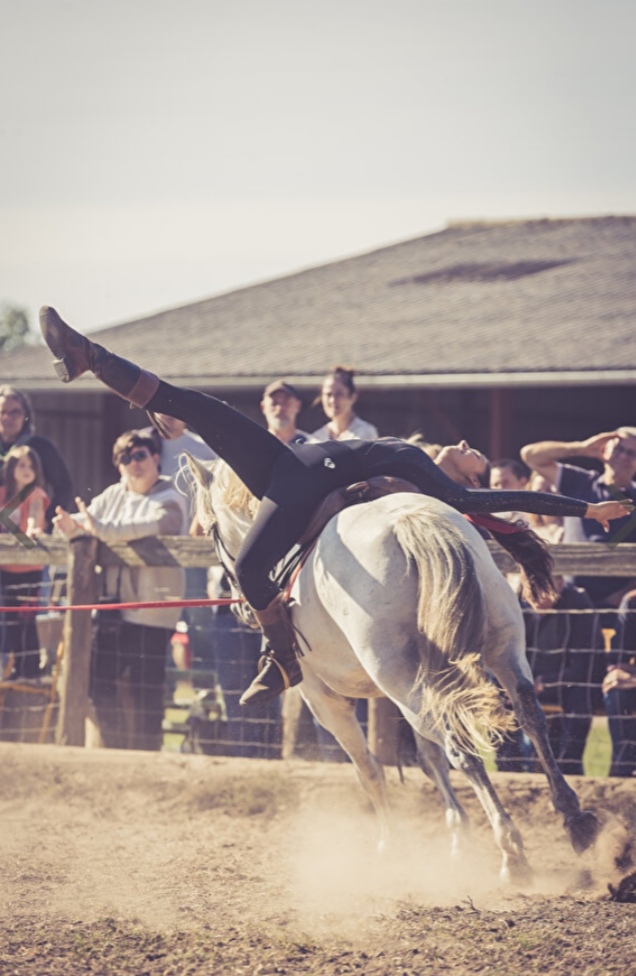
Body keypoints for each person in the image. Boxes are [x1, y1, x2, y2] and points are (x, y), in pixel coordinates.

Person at [39, 306, 632, 709]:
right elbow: (488, 494)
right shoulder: (411, 450)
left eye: (472, 453)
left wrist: (586, 507)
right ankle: (86, 355)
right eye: (468, 448)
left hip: (299, 481)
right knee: (195, 405)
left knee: (247, 569)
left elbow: (497, 500)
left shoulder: (431, 478)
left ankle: (283, 658)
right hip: (295, 461)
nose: (470, 449)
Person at [53, 429, 187, 750]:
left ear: (155, 457)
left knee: (146, 692)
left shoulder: (171, 494)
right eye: (125, 458)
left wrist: (97, 529)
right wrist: (63, 525)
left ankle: (146, 756)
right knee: (96, 684)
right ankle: (115, 752)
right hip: (112, 608)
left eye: (139, 455)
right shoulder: (114, 494)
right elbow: (81, 521)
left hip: (152, 613)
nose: (133, 463)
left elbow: (158, 525)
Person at [521, 428, 636, 607]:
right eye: (619, 449)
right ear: (606, 448)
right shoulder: (581, 482)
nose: (623, 457)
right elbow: (530, 456)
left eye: (631, 453)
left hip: (618, 605)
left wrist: (622, 597)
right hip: (568, 596)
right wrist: (581, 448)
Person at [0, 445, 50, 678]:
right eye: (21, 464)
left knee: (26, 620)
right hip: (4, 567)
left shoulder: (35, 494)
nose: (27, 469)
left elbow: (33, 519)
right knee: (9, 621)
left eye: (31, 465)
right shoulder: (2, 495)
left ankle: (30, 670)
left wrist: (31, 531)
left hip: (29, 568)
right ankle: (14, 669)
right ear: (11, 468)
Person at [0, 386, 73, 530]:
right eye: (2, 412)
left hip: (29, 532)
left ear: (26, 415)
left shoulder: (41, 447)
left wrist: (47, 520)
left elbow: (64, 488)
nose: (7, 418)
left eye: (14, 412)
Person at [603, 588, 636, 777]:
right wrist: (618, 674)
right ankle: (625, 772)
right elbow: (619, 658)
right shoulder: (632, 603)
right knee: (614, 692)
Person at [311, 366, 379, 441]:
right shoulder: (317, 437)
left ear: (352, 397)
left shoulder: (365, 434)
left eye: (339, 394)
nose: (332, 400)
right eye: (328, 394)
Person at [260, 379, 313, 446]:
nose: (280, 408)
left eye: (286, 403)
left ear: (298, 406)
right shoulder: (254, 446)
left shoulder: (312, 446)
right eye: (274, 403)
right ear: (263, 407)